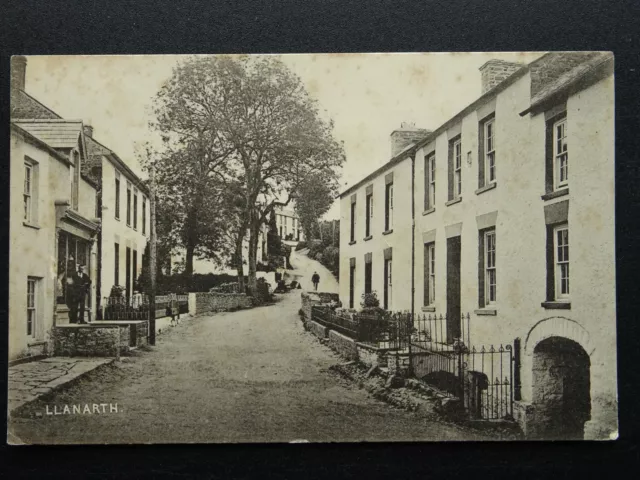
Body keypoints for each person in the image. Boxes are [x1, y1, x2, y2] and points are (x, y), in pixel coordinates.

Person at [65, 260, 81, 324]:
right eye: (69, 265)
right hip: (69, 294)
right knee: (71, 308)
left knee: (74, 308)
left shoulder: (75, 274)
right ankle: (72, 320)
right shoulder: (67, 273)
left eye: (71, 265)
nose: (70, 267)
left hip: (74, 294)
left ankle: (73, 320)